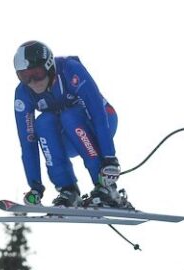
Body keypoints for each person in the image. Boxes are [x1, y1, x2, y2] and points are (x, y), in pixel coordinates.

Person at [12, 40, 130, 208]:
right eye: (25, 76)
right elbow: (27, 141)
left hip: (103, 123)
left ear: (49, 66)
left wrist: (110, 159)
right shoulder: (23, 93)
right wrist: (35, 186)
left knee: (70, 115)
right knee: (43, 123)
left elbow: (98, 113)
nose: (33, 82)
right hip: (69, 136)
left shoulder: (70, 70)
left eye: (37, 73)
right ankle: (68, 190)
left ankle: (107, 189)